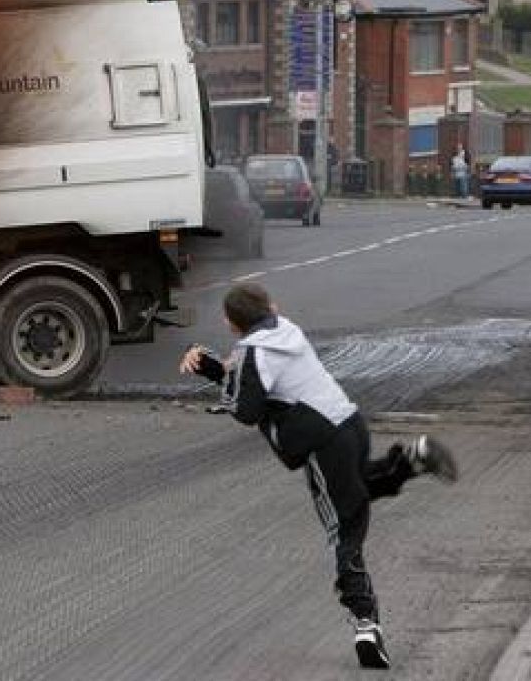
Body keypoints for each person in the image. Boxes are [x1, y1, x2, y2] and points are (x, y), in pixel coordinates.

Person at [180, 282, 458, 670]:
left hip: (323, 444)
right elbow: (249, 376)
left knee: (343, 530)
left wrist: (210, 368)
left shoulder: (252, 351)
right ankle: (411, 461)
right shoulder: (286, 330)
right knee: (357, 491)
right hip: (349, 424)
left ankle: (365, 623)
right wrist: (214, 367)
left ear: (230, 323)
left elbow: (246, 408)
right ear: (272, 307)